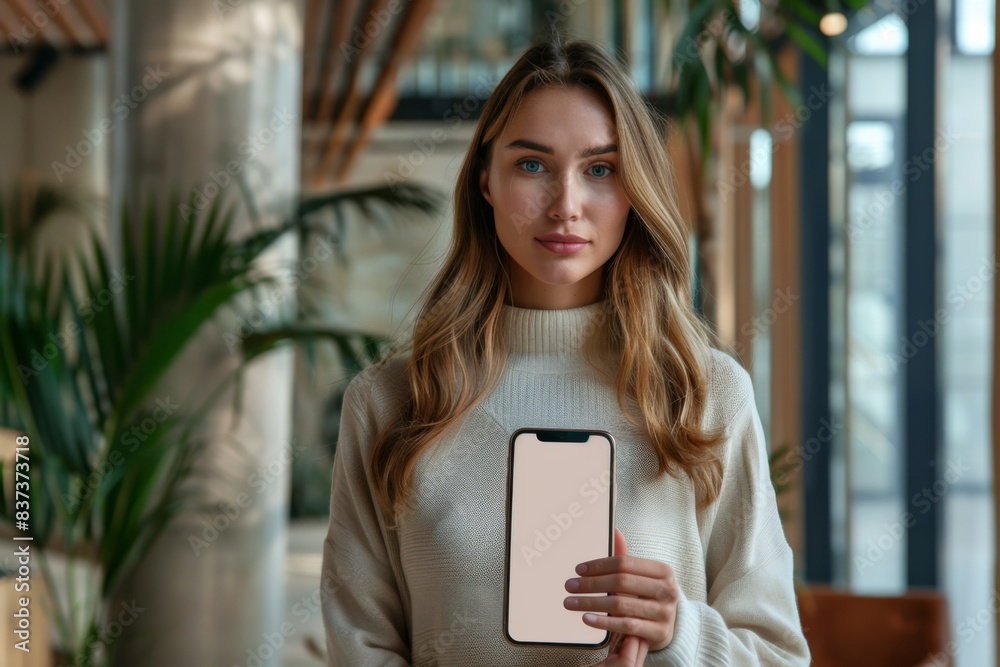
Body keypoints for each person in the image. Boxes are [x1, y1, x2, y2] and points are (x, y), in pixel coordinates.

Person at [320, 33, 811, 667]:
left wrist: (679, 635)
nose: (566, 206)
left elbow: (777, 657)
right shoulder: (389, 402)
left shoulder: (705, 393)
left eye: (600, 170)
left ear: (634, 190)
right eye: (532, 165)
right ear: (485, 181)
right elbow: (361, 650)